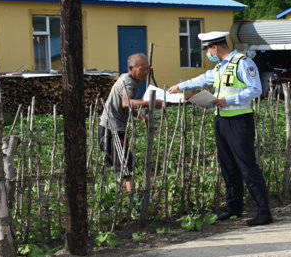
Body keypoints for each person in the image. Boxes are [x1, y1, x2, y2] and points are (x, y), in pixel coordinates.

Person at [168, 31, 272, 226]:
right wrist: (180, 86)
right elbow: (203, 79)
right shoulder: (220, 66)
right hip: (222, 120)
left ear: (215, 47)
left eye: (208, 49)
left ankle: (263, 211)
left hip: (240, 121)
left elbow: (255, 89)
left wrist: (228, 100)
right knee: (228, 167)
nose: (207, 52)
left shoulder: (243, 63)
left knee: (247, 167)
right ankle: (234, 208)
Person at [99, 53, 163, 192]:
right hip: (112, 129)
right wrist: (149, 103)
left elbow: (128, 105)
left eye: (148, 69)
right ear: (131, 68)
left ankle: (118, 194)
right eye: (142, 69)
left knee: (123, 162)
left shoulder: (126, 78)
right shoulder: (129, 81)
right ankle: (132, 197)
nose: (146, 72)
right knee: (125, 163)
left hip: (113, 127)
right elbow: (126, 103)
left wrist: (141, 117)